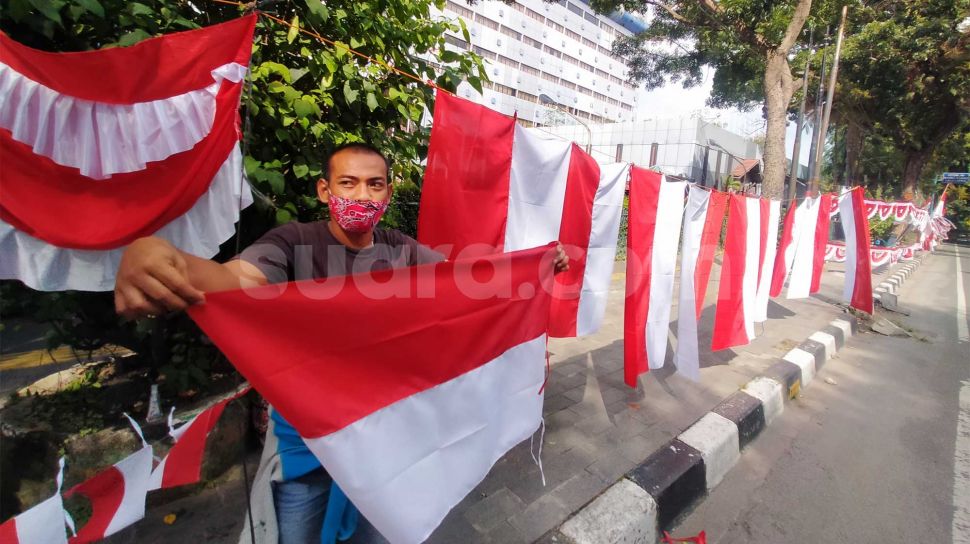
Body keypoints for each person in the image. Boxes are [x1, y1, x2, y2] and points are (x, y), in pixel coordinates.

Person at [114, 142, 568, 543]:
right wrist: (161, 258)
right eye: (348, 183)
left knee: (381, 529)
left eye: (375, 185)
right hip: (305, 435)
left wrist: (536, 268)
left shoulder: (403, 251)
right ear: (324, 191)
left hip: (384, 435)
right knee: (297, 531)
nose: (361, 196)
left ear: (388, 194)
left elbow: (469, 283)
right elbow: (234, 282)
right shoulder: (292, 244)